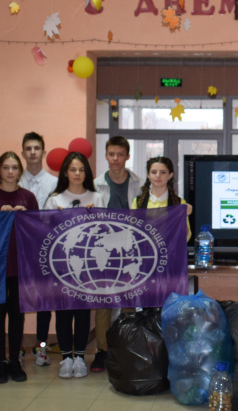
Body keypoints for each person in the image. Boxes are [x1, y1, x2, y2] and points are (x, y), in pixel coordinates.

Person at [0, 152, 38, 384]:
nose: (10, 172)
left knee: (17, 314)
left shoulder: (28, 197)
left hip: (21, 265)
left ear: (20, 171)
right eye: (6, 167)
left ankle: (15, 360)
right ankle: (0, 362)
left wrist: (27, 218)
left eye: (14, 167)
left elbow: (37, 231)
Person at [44, 152, 103, 379]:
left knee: (82, 312)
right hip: (61, 265)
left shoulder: (96, 197)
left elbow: (104, 231)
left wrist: (94, 217)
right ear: (65, 173)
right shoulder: (55, 199)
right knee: (63, 312)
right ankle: (66, 358)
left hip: (87, 265)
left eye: (81, 169)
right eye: (72, 169)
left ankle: (80, 357)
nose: (77, 174)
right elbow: (44, 231)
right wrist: (56, 219)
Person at [89, 136, 142, 372]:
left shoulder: (139, 184)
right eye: (112, 154)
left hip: (130, 249)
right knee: (104, 302)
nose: (116, 159)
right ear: (106, 156)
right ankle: (102, 351)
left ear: (127, 156)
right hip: (104, 249)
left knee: (129, 300)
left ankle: (125, 349)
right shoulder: (96, 184)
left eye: (120, 154)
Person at [18, 132, 58, 367]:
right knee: (18, 301)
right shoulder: (14, 180)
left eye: (36, 148)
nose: (32, 152)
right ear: (23, 152)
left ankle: (41, 346)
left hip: (46, 249)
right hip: (20, 248)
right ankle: (17, 346)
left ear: (43, 152)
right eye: (28, 148)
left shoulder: (54, 183)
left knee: (45, 301)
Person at [131, 156, 193, 241]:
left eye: (163, 172)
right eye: (153, 172)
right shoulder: (137, 202)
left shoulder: (179, 203)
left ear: (170, 175)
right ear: (148, 175)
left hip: (169, 249)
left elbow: (185, 238)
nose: (158, 176)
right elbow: (132, 232)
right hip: (144, 248)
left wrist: (184, 216)